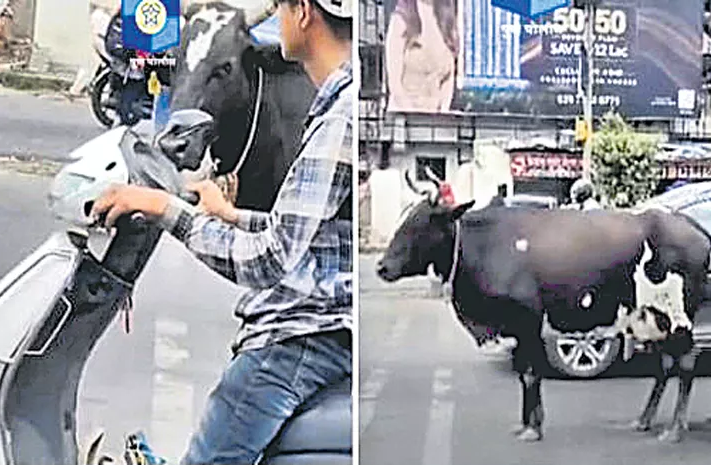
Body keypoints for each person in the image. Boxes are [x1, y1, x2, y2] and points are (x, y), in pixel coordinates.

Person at [91, 0, 353, 463]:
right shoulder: (340, 101)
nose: (282, 22)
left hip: (299, 336)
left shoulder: (337, 122)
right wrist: (230, 215)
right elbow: (310, 236)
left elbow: (270, 261)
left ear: (305, 13)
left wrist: (160, 206)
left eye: (286, 9)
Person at [385, 0, 458, 112]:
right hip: (404, 118)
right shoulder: (401, 19)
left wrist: (443, 113)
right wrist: (412, 115)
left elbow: (448, 78)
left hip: (435, 120)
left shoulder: (447, 22)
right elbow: (395, 84)